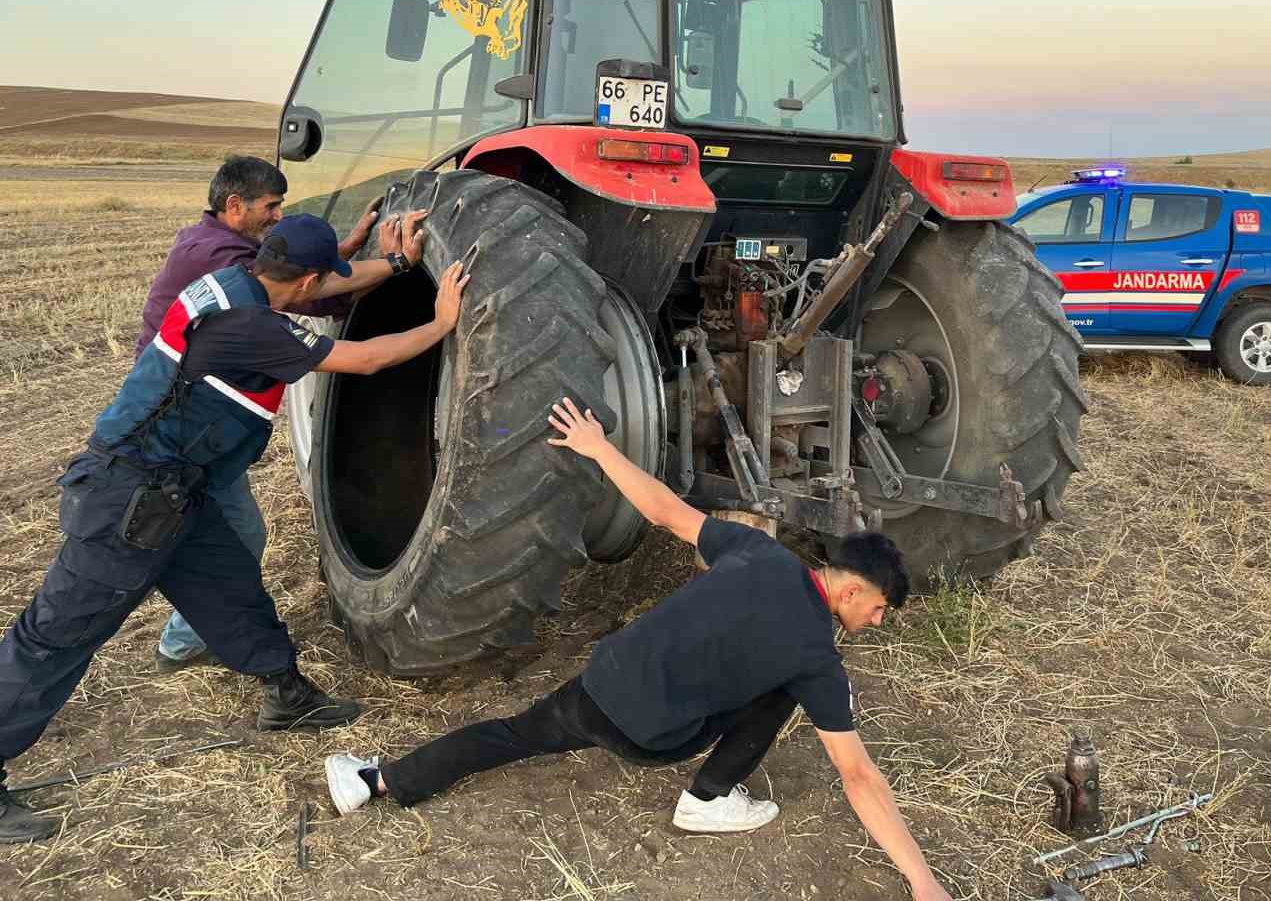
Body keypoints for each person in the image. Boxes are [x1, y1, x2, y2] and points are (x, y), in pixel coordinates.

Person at [324, 398, 955, 901]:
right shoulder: (819, 659)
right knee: (786, 685)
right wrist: (922, 881)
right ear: (852, 586)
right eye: (876, 608)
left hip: (603, 684)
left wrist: (599, 447)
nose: (875, 622)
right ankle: (707, 799)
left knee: (510, 735)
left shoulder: (759, 551)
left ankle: (375, 781)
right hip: (656, 738)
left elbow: (664, 511)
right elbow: (859, 776)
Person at [0, 215, 471, 844]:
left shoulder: (231, 282)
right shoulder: (253, 328)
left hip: (172, 492)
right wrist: (441, 323)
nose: (327, 287)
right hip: (128, 501)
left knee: (230, 590)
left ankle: (287, 694)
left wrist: (395, 263)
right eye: (322, 280)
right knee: (55, 635)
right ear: (304, 280)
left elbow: (334, 281)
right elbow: (364, 360)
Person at [135, 155, 424, 672]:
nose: (276, 216)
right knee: (212, 534)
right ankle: (186, 642)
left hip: (191, 422)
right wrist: (398, 267)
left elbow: (298, 280)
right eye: (271, 208)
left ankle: (186, 638)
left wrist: (342, 251)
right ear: (233, 205)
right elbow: (334, 316)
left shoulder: (218, 248)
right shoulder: (220, 256)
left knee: (221, 531)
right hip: (179, 426)